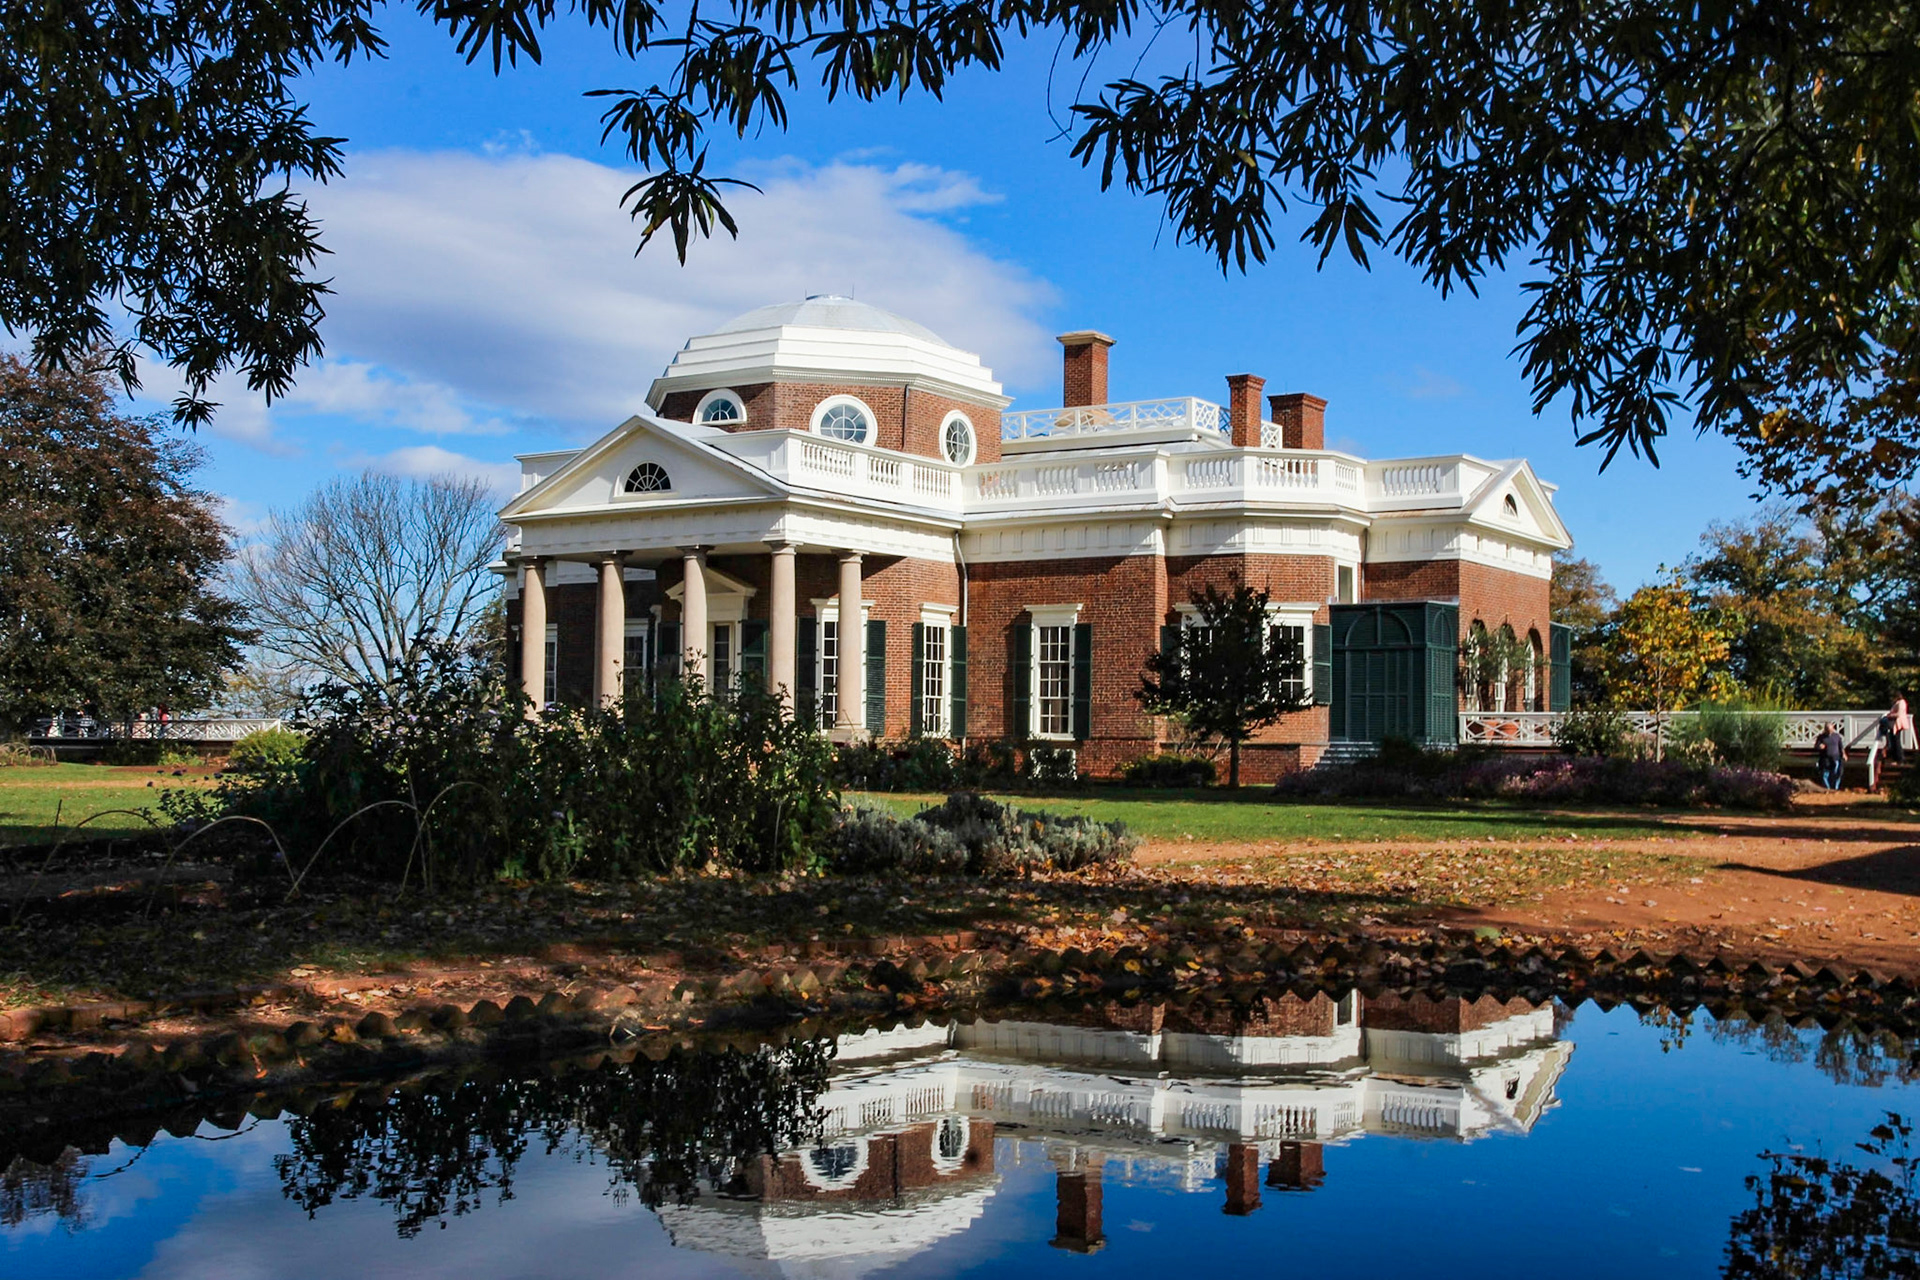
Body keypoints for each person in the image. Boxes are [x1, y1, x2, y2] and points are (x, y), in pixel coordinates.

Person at [1814, 721, 1846, 791]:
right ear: (1825, 729)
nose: (1829, 732)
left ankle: (1835, 788)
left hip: (1836, 758)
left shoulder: (1837, 736)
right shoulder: (1821, 737)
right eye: (1828, 730)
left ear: (1833, 728)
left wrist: (1844, 754)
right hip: (1825, 758)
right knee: (1825, 774)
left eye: (1831, 730)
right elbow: (1816, 746)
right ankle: (1827, 788)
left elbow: (1841, 746)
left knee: (1837, 773)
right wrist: (1819, 746)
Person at [1892, 693, 1913, 766]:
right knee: (1894, 741)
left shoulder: (1901, 703)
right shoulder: (1898, 703)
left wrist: (1890, 715)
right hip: (1895, 723)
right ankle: (1897, 758)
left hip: (1898, 723)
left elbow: (1899, 714)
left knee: (1897, 741)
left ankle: (1900, 759)